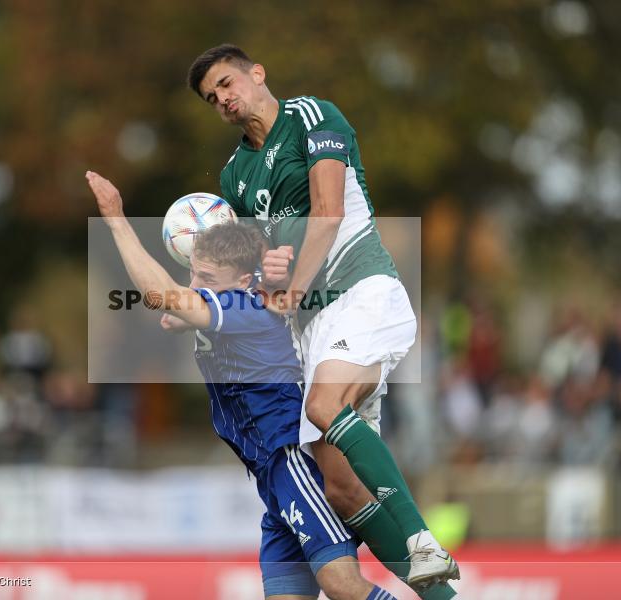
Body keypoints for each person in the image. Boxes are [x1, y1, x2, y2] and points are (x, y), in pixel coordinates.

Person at [187, 44, 459, 594]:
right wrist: (222, 292)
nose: (222, 99)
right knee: (340, 488)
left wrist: (292, 287)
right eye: (211, 97)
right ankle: (443, 595)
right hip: (316, 334)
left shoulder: (312, 116)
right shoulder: (234, 178)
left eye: (226, 83)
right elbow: (258, 265)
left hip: (362, 293)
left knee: (323, 405)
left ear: (257, 73)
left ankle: (420, 539)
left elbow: (329, 210)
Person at [87, 171, 400, 600]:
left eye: (208, 281)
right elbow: (178, 308)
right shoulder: (232, 300)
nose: (197, 288)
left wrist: (117, 221)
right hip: (271, 476)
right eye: (194, 275)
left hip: (295, 463)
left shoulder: (245, 309)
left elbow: (164, 296)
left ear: (242, 282)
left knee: (342, 584)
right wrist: (185, 314)